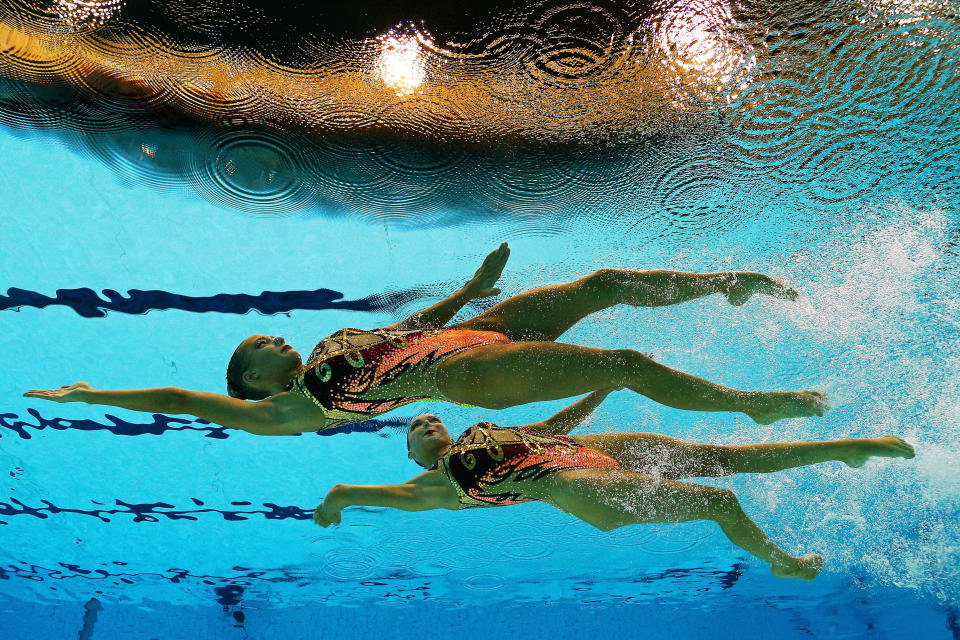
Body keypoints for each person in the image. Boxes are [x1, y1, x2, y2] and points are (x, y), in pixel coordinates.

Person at [24, 243, 827, 434]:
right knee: (620, 363)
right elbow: (171, 397)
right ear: (257, 387)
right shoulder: (297, 409)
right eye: (257, 350)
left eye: (265, 337)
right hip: (467, 380)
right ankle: (749, 407)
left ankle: (730, 286)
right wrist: (92, 393)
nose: (269, 337)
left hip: (475, 331)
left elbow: (404, 331)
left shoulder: (336, 344)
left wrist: (472, 293)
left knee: (604, 287)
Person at [312, 389, 915, 580]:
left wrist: (604, 382)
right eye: (415, 429)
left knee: (722, 459)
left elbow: (551, 427)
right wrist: (340, 496)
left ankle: (845, 450)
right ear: (417, 457)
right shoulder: (441, 483)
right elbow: (388, 498)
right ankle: (783, 562)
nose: (425, 421)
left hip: (583, 454)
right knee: (720, 502)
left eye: (427, 416)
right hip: (576, 490)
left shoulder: (485, 434)